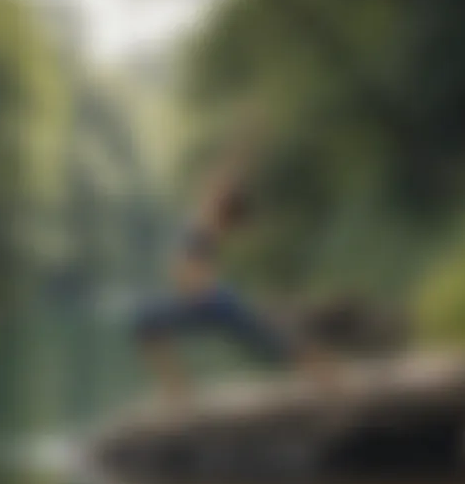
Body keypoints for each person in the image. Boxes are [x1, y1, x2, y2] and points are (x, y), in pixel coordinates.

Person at [132, 130, 330, 402]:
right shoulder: (205, 218)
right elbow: (224, 173)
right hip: (202, 300)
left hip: (211, 300)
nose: (210, 190)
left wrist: (246, 144)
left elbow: (227, 173)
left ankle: (326, 375)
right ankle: (178, 393)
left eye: (216, 195)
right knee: (146, 322)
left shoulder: (209, 222)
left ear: (222, 208)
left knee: (268, 344)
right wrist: (248, 139)